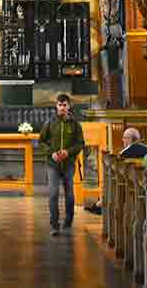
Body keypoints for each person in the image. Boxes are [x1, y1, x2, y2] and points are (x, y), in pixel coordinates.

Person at [37, 93, 86, 236]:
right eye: (60, 105)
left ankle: (68, 221)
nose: (62, 107)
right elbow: (41, 142)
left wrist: (68, 152)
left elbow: (80, 143)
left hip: (69, 163)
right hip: (53, 164)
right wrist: (51, 153)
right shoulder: (49, 123)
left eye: (65, 105)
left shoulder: (75, 124)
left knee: (69, 194)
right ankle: (54, 225)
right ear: (56, 106)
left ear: (69, 106)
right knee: (53, 193)